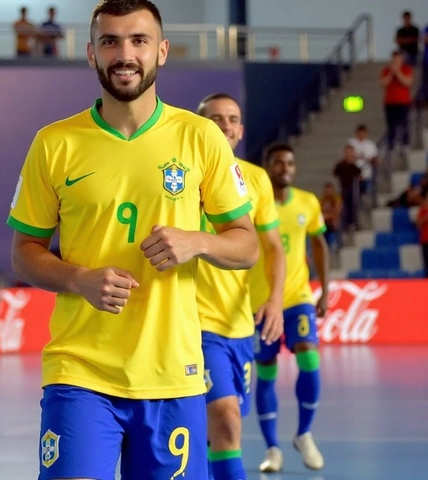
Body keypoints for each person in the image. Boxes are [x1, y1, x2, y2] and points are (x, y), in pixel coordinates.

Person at [6, 1, 259, 478]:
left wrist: (198, 242)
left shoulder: (200, 136)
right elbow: (24, 254)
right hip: (80, 372)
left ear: (161, 51)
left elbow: (246, 245)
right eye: (111, 41)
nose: (125, 54)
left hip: (173, 375)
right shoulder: (54, 143)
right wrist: (78, 278)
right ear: (91, 54)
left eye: (139, 40)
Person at [196, 93, 285, 480]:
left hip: (240, 326)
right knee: (226, 421)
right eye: (215, 119)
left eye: (232, 119)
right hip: (195, 324)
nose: (225, 125)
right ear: (201, 127)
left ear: (241, 129)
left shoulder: (256, 179)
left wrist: (276, 300)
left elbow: (273, 248)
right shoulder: (181, 176)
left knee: (223, 432)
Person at [252, 142, 330, 473]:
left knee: (308, 355)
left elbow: (319, 243)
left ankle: (304, 433)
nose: (285, 168)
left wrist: (324, 290)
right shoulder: (253, 202)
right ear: (268, 166)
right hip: (260, 301)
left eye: (289, 163)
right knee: (266, 370)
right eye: (278, 163)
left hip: (297, 296)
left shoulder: (307, 203)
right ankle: (272, 448)